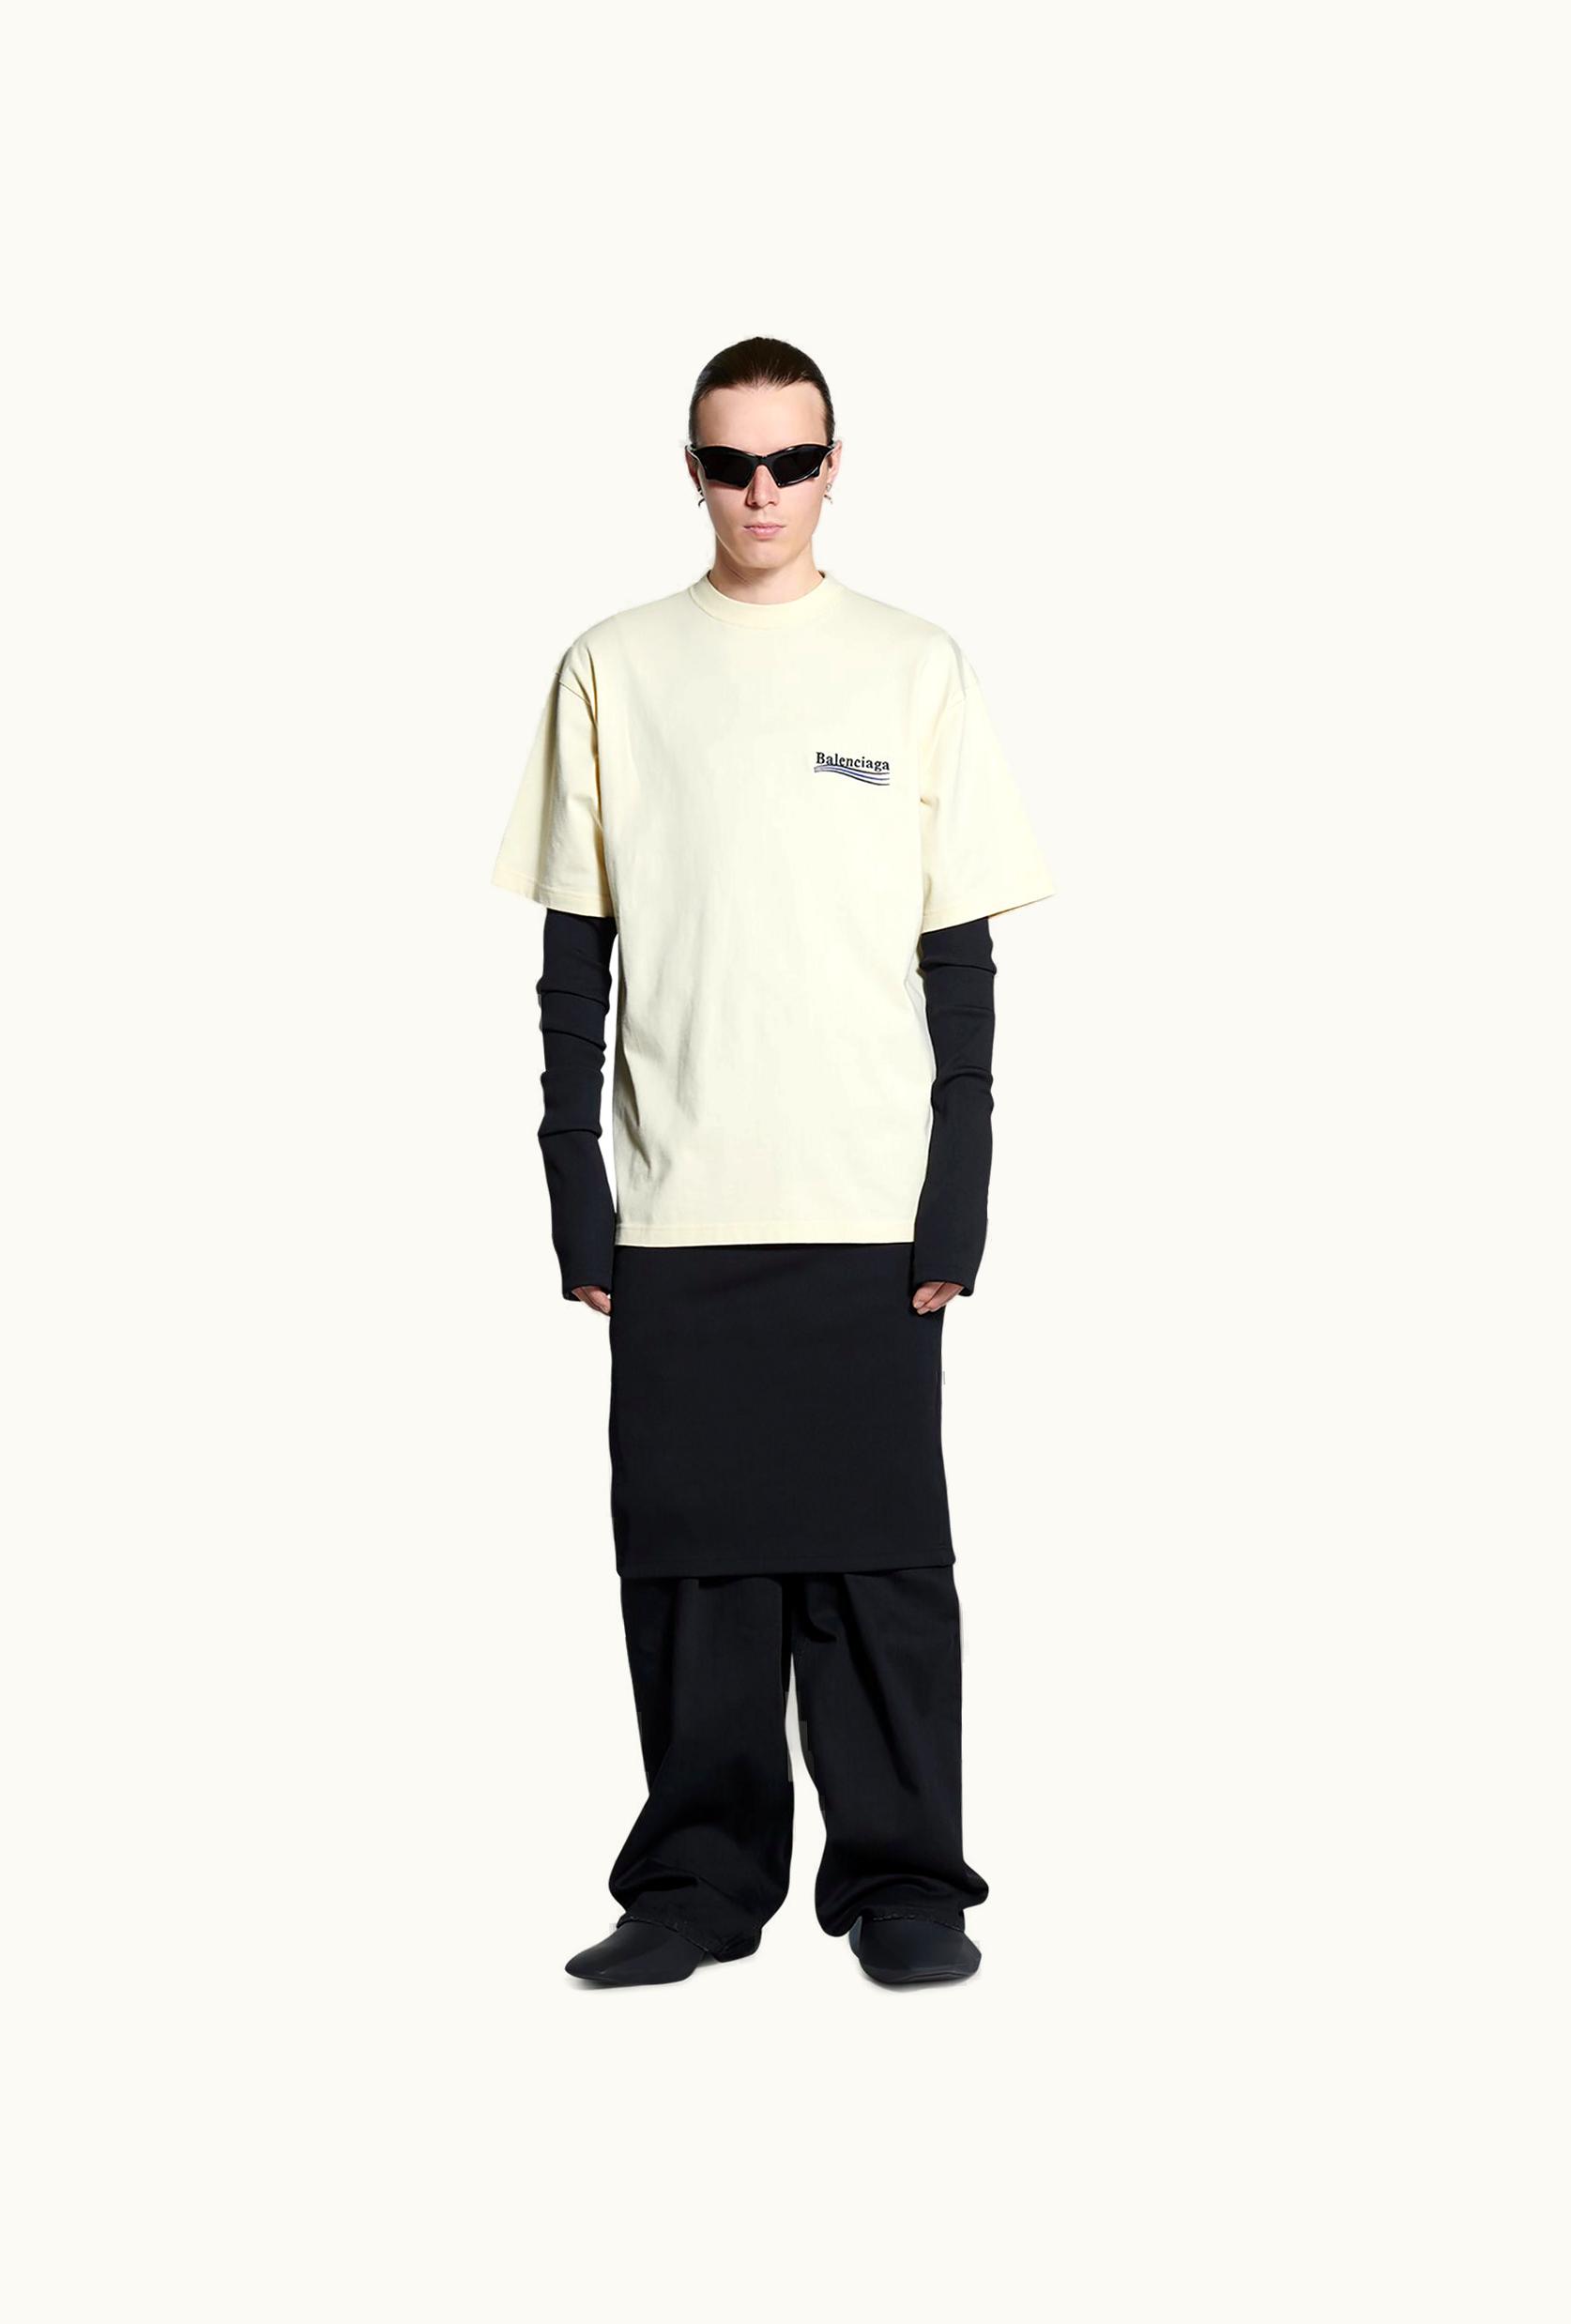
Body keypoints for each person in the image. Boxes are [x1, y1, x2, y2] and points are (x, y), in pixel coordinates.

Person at [490, 336, 1054, 1987]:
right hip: (679, 1198)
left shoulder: (914, 666)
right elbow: (573, 960)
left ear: (831, 466)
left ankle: (905, 1884)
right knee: (691, 1565)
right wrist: (574, 1191)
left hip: (867, 1196)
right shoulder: (614, 667)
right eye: (731, 464)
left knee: (880, 1562)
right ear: (693, 471)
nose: (761, 494)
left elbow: (962, 964)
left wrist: (961, 1190)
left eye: (791, 463)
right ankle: (694, 1886)